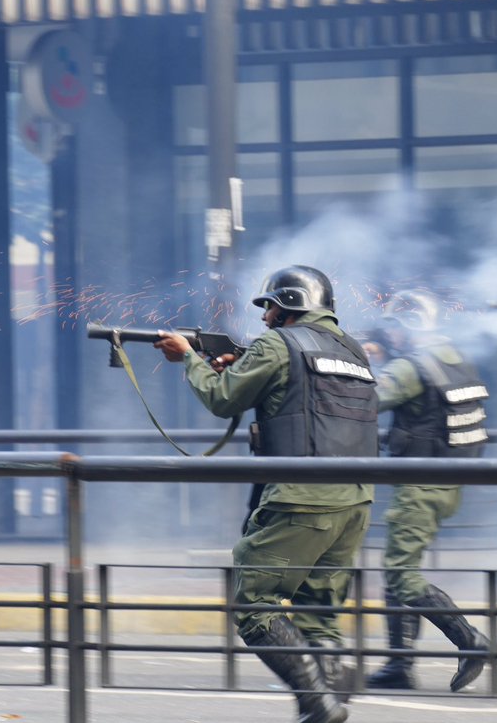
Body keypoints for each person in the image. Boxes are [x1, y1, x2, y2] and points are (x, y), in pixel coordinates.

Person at [153, 265, 378, 723]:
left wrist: (188, 359)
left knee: (253, 604)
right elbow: (302, 399)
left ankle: (317, 704)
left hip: (302, 498)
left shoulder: (279, 344)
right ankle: (332, 692)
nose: (264, 317)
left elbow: (222, 399)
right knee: (320, 612)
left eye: (270, 306)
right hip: (355, 502)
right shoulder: (353, 351)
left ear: (292, 304)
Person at [361, 289, 492, 693]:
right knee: (397, 571)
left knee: (400, 575)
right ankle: (399, 665)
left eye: (394, 327)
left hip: (420, 485)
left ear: (408, 327)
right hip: (446, 480)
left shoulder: (410, 367)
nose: (391, 334)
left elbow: (363, 402)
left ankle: (469, 640)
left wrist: (363, 365)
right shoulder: (454, 356)